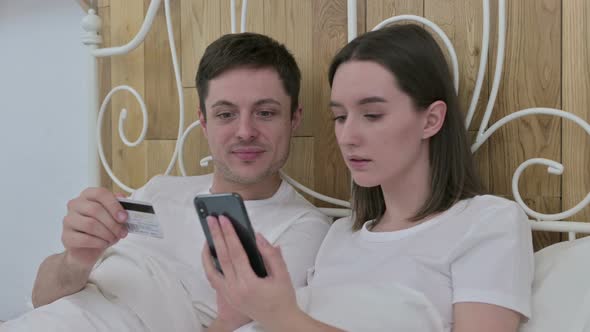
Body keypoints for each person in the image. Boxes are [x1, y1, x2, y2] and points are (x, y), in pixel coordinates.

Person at [202, 24, 534, 332]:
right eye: (340, 117)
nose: (347, 136)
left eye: (372, 115)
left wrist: (284, 316)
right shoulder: (339, 235)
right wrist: (233, 317)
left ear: (431, 120)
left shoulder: (487, 223)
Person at [1, 33, 331, 331]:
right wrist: (77, 258)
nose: (245, 131)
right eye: (225, 114)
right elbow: (42, 296)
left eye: (266, 112)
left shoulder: (303, 228)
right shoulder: (159, 188)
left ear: (294, 118)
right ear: (204, 122)